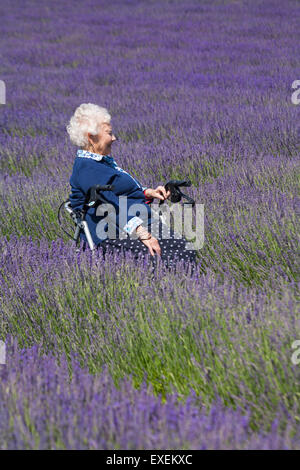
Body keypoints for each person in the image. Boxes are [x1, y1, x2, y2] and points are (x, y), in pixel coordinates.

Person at [67, 103, 197, 271]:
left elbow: (121, 190)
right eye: (109, 133)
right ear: (91, 137)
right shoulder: (86, 168)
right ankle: (166, 292)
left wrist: (148, 193)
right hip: (112, 231)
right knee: (163, 259)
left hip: (138, 220)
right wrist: (144, 234)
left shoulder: (101, 161)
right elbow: (110, 205)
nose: (114, 138)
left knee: (184, 249)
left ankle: (180, 290)